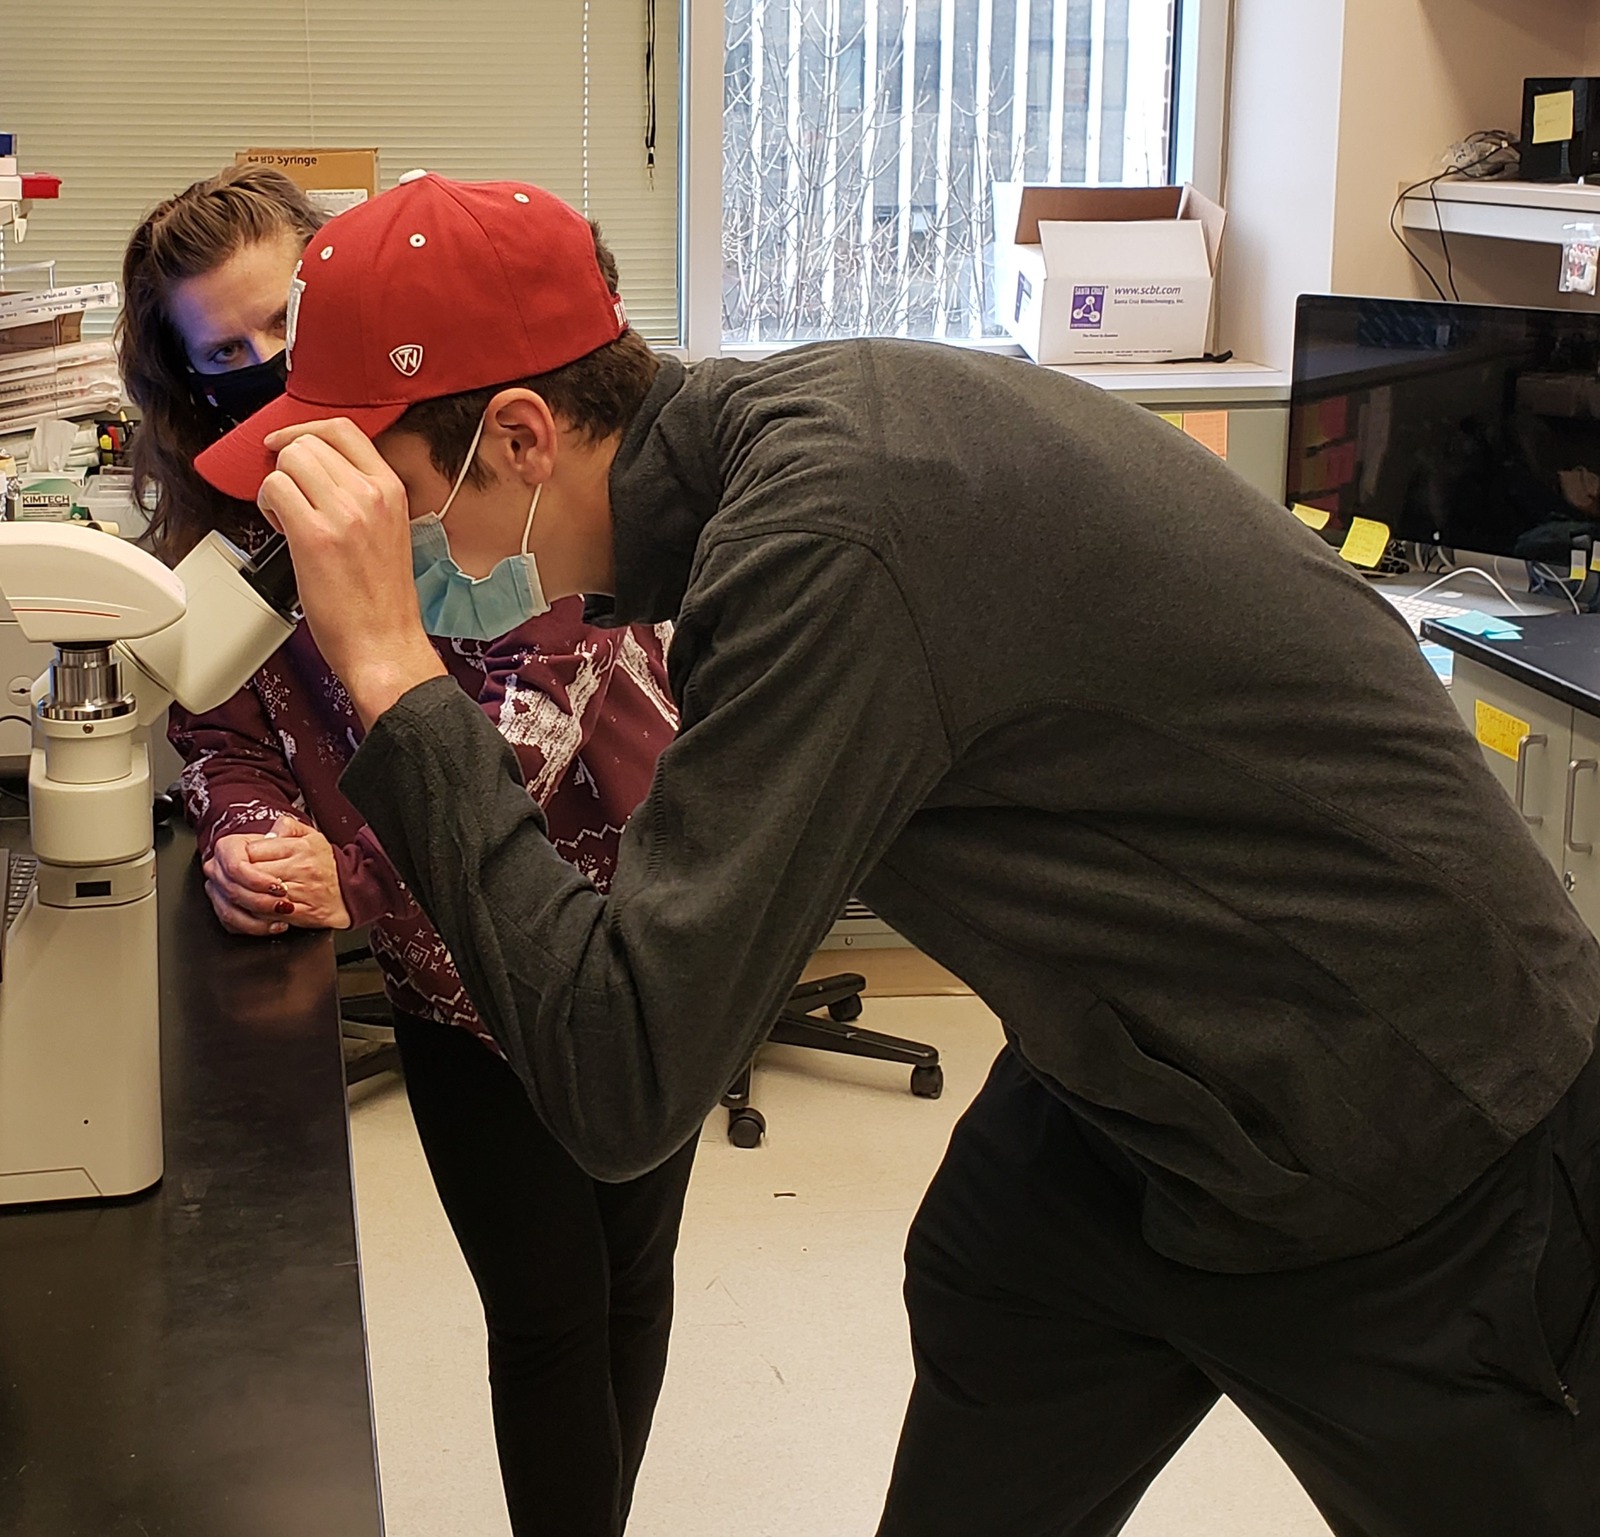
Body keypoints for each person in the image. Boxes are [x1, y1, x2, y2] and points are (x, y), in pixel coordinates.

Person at [195, 172, 1600, 1535]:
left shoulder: (823, 538)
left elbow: (624, 1077)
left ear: (519, 438)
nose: (369, 548)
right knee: (994, 1273)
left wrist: (392, 668)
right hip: (1141, 1094)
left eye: (383, 497)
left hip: (1421, 1125)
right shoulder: (761, 466)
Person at [116, 165, 695, 1537]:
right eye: (227, 357)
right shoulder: (238, 522)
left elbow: (544, 711)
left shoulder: (487, 477)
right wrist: (256, 833)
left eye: (286, 327)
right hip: (453, 983)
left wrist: (359, 871)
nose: (267, 369)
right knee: (543, 1307)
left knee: (630, 1270)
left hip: (621, 940)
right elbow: (220, 721)